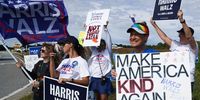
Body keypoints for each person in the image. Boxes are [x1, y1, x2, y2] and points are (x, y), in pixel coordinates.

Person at [150, 10, 199, 92]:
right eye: (179, 33)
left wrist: (182, 20)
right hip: (174, 79)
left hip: (187, 80)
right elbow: (164, 37)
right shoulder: (176, 44)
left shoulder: (193, 46)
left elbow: (189, 37)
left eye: (181, 34)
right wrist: (154, 25)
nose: (179, 35)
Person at [88, 26, 113, 100]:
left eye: (101, 46)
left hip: (103, 79)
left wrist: (105, 29)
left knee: (103, 98)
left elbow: (109, 41)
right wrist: (88, 30)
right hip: (94, 78)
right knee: (96, 98)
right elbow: (90, 40)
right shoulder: (94, 50)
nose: (99, 48)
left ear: (105, 46)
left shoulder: (107, 52)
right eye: (98, 46)